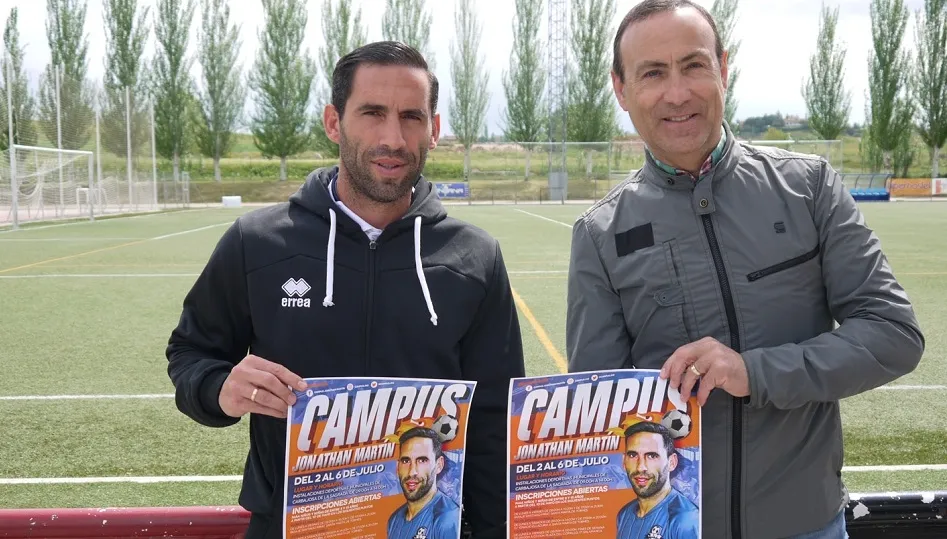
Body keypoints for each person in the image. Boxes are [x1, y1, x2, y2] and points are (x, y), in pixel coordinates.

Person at [565, 1, 925, 538]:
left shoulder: (808, 188)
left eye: (693, 65)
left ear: (723, 68)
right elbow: (600, 409)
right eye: (653, 73)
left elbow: (894, 334)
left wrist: (754, 373)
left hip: (808, 524)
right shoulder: (599, 234)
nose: (677, 93)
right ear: (621, 89)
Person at [166, 41, 525, 539]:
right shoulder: (258, 243)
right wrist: (217, 388)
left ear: (434, 129)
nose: (393, 138)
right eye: (372, 113)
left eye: (411, 117)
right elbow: (191, 353)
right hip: (289, 526)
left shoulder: (474, 257)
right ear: (334, 122)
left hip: (425, 526)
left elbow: (493, 421)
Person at [616, 422, 699, 539]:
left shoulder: (686, 519)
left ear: (672, 462)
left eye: (652, 456)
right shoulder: (624, 514)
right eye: (633, 455)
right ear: (624, 461)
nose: (640, 467)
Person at [388, 427, 462, 539]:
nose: (412, 472)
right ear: (398, 467)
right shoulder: (394, 519)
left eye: (422, 460)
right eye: (406, 461)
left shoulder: (447, 518)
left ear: (439, 465)